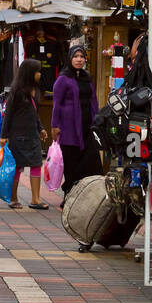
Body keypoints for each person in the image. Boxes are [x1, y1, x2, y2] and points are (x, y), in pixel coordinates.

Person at [51, 44, 101, 201]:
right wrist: (54, 125)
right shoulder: (63, 79)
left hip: (87, 127)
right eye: (76, 56)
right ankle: (69, 197)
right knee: (71, 164)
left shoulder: (87, 77)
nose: (79, 60)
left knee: (91, 163)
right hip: (69, 129)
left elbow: (94, 100)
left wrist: (98, 120)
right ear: (70, 58)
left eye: (82, 57)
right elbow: (56, 104)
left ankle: (87, 197)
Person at [0, 58, 47, 209]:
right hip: (17, 136)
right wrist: (3, 135)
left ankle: (35, 199)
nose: (40, 74)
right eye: (37, 71)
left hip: (32, 135)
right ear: (29, 73)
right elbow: (8, 114)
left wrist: (41, 129)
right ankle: (13, 198)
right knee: (17, 167)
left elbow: (34, 113)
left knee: (36, 165)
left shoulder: (36, 90)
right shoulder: (17, 92)